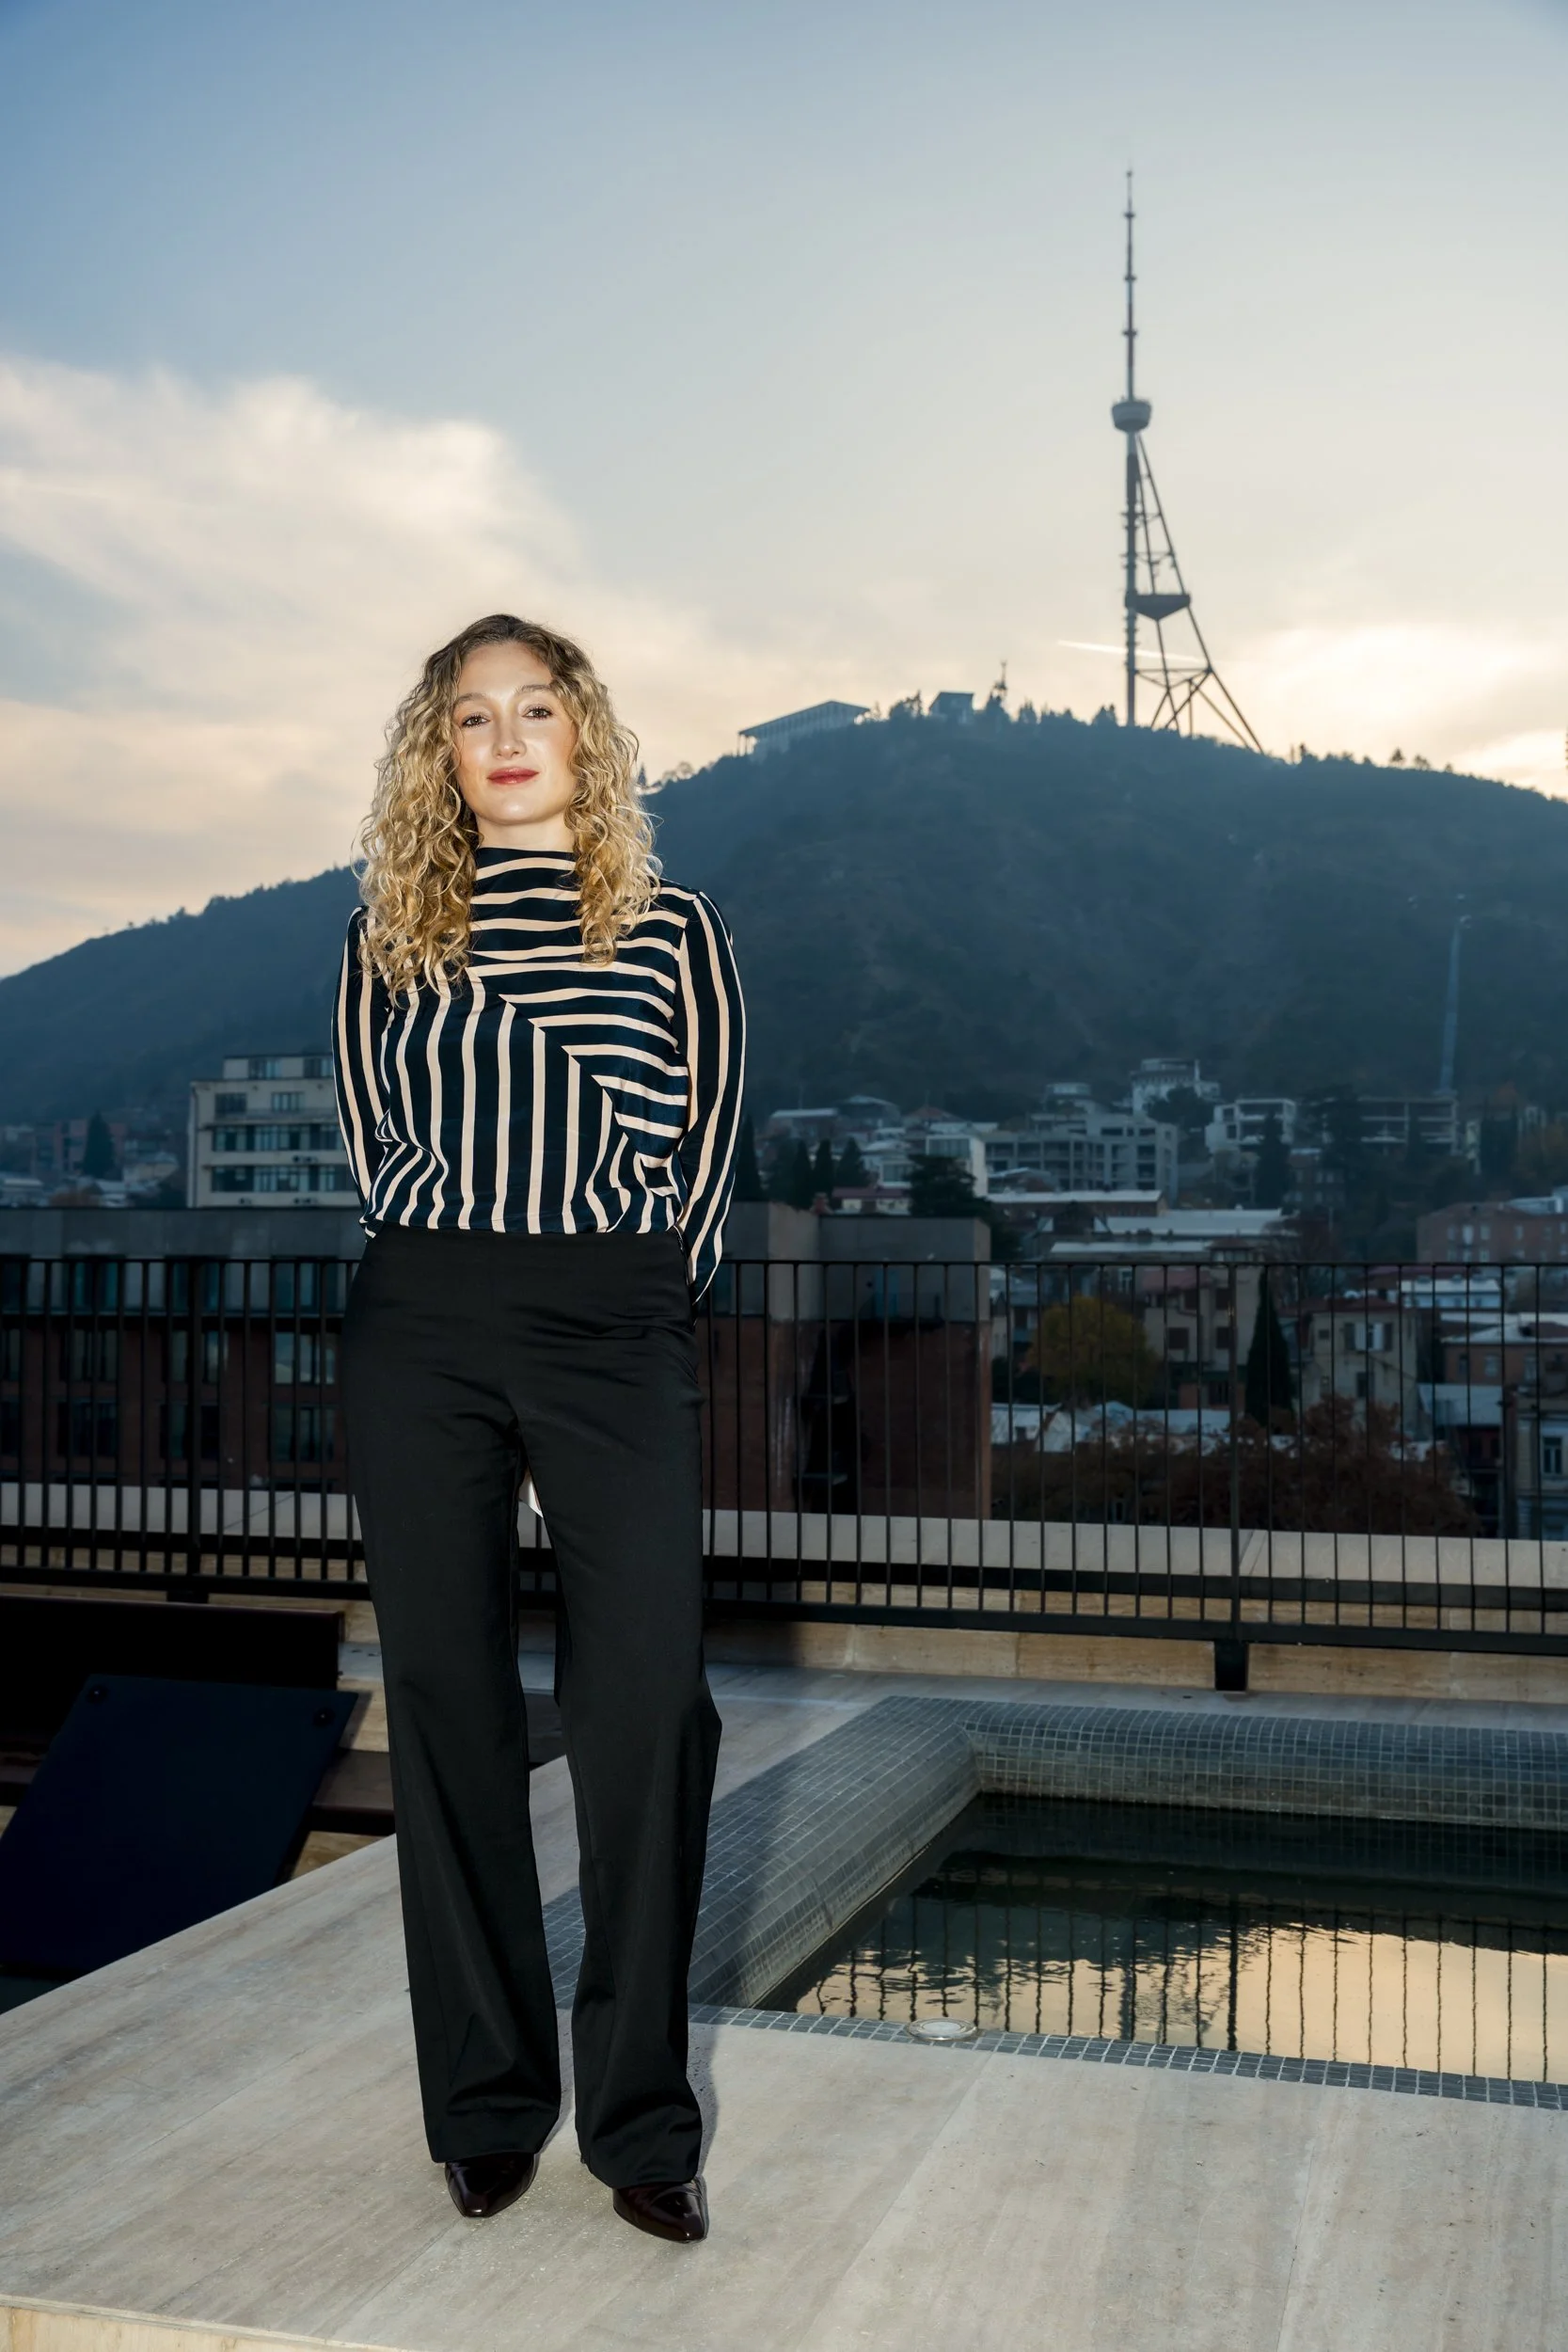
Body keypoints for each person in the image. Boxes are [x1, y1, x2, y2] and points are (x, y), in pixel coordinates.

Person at [333, 614, 744, 2245]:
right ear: (438, 754)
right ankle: (486, 2101)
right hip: (424, 1320)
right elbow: (381, 1150)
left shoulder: (670, 925)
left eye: (537, 709)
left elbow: (705, 1149)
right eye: (471, 717)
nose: (505, 739)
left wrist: (629, 1304)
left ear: (588, 735)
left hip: (614, 1322)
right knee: (443, 1700)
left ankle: (640, 2119)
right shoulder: (385, 937)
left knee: (650, 1703)